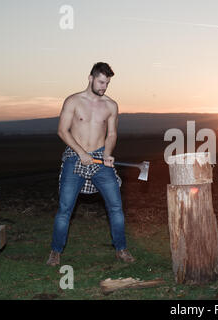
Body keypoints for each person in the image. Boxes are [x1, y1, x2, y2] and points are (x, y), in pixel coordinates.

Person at [46, 62, 135, 266]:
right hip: (75, 157)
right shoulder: (73, 101)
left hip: (100, 158)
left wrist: (108, 153)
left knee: (115, 207)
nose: (104, 87)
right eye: (101, 82)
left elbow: (112, 134)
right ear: (91, 78)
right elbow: (62, 131)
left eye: (107, 83)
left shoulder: (111, 105)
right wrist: (80, 152)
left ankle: (121, 249)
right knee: (65, 208)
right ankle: (55, 251)